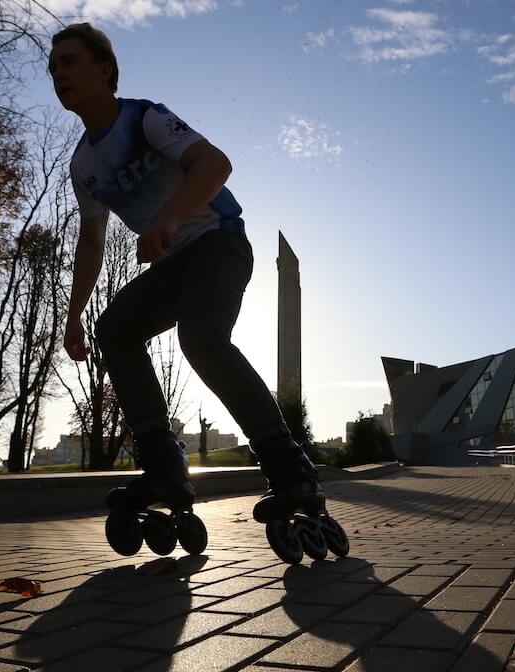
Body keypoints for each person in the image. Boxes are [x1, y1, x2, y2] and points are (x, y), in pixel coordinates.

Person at [49, 23, 322, 537]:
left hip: (219, 242)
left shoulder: (145, 117)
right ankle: (165, 470)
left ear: (103, 70)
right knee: (115, 330)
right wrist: (74, 316)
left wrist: (169, 216)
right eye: (53, 67)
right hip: (174, 265)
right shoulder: (83, 164)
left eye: (69, 62)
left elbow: (215, 164)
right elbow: (90, 244)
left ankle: (290, 471)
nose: (58, 73)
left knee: (201, 338)